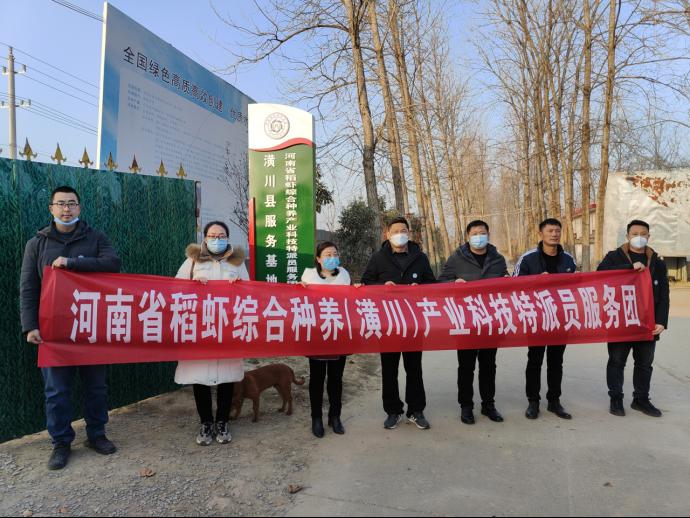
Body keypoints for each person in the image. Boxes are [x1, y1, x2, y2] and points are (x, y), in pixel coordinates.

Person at [20, 186, 121, 470]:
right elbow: (28, 287)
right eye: (61, 204)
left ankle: (96, 435)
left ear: (79, 207)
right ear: (51, 208)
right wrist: (30, 326)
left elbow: (113, 264)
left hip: (91, 326)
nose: (67, 209)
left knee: (96, 387)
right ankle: (61, 442)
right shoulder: (37, 244)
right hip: (53, 331)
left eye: (72, 204)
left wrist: (73, 263)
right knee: (56, 391)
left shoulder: (96, 238)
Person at [175, 221, 248, 446]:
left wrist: (239, 285)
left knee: (226, 377)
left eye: (222, 235)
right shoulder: (193, 261)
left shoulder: (237, 262)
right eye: (213, 235)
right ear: (205, 238)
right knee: (200, 377)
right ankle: (206, 422)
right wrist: (192, 284)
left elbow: (250, 293)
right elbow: (175, 288)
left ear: (228, 238)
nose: (217, 239)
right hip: (200, 327)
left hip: (228, 327)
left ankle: (222, 421)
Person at [361, 217, 436, 430]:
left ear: (409, 234)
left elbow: (432, 284)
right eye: (395, 231)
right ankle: (393, 411)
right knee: (389, 369)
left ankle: (416, 410)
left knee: (414, 369)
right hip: (388, 323)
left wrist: (419, 288)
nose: (400, 234)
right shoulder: (378, 258)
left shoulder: (420, 258)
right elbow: (366, 282)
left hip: (413, 322)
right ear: (387, 234)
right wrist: (382, 285)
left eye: (404, 230)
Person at [597, 219, 669, 417]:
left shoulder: (657, 262)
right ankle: (616, 399)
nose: (639, 237)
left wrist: (661, 321)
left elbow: (664, 293)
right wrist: (627, 267)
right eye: (635, 234)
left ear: (649, 236)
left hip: (647, 322)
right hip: (621, 320)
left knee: (644, 363)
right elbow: (600, 274)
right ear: (627, 236)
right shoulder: (614, 257)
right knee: (617, 361)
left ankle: (641, 399)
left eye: (643, 234)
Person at [439, 220, 508, 425]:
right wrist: (453, 283)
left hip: (490, 320)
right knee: (466, 366)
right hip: (466, 321)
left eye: (482, 233)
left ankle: (488, 405)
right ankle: (466, 406)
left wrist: (506, 281)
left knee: (488, 365)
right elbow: (440, 282)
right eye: (475, 233)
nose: (479, 237)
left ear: (488, 235)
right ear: (467, 237)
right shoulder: (456, 259)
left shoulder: (497, 259)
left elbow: (507, 284)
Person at [514, 218, 576, 420]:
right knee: (535, 360)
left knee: (556, 362)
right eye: (550, 231)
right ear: (540, 234)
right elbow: (514, 287)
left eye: (557, 230)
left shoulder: (568, 259)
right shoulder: (528, 259)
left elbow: (576, 287)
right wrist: (535, 281)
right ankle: (533, 401)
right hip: (537, 318)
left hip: (560, 319)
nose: (554, 234)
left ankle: (554, 401)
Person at [301, 241, 352, 438]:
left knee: (336, 379)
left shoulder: (344, 274)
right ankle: (316, 418)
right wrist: (300, 288)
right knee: (317, 379)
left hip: (339, 333)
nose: (332, 258)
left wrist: (357, 289)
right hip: (317, 334)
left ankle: (335, 416)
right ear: (319, 259)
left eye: (335, 254)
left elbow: (350, 300)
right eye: (327, 255)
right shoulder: (309, 275)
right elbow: (301, 301)